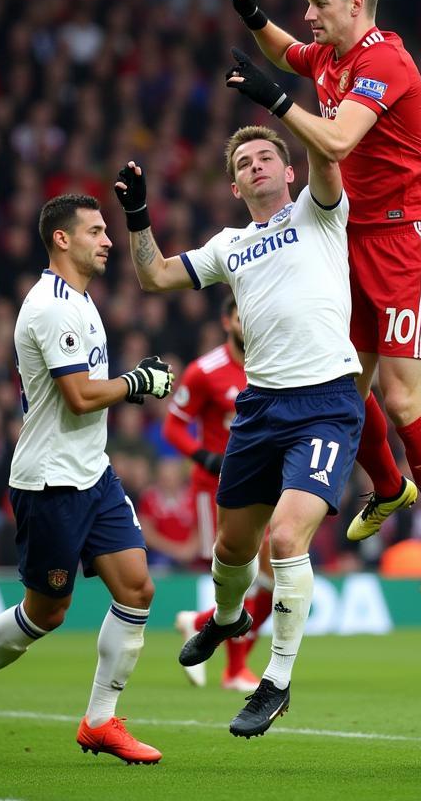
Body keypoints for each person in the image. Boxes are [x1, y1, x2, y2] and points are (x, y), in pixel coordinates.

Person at [220, 0, 421, 598]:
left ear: (356, 4)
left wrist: (273, 103)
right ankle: (389, 488)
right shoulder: (328, 55)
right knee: (341, 389)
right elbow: (285, 52)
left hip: (404, 238)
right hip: (350, 240)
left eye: (318, 3)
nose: (308, 14)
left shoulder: (385, 61)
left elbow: (334, 142)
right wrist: (253, 16)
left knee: (403, 397)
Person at [115, 123, 364, 737]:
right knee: (232, 550)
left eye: (266, 158)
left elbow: (330, 151)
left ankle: (275, 681)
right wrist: (138, 214)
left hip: (326, 402)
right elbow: (154, 276)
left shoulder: (320, 212)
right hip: (259, 409)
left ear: (289, 172)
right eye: (244, 161)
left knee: (285, 539)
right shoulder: (230, 244)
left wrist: (282, 96)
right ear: (233, 184)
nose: (255, 165)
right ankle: (227, 617)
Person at [0, 193, 174, 764]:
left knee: (137, 588)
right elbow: (81, 396)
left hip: (93, 473)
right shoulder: (50, 306)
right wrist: (139, 382)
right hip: (49, 484)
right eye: (95, 231)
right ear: (62, 239)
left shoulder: (83, 301)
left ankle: (100, 721)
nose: (107, 240)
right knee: (48, 612)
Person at [162, 296, 275, 693]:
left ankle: (199, 626)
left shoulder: (272, 365)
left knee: (269, 581)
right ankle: (233, 668)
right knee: (241, 579)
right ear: (228, 321)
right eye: (241, 317)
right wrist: (204, 457)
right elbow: (173, 427)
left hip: (265, 487)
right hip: (217, 490)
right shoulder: (204, 371)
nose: (248, 324)